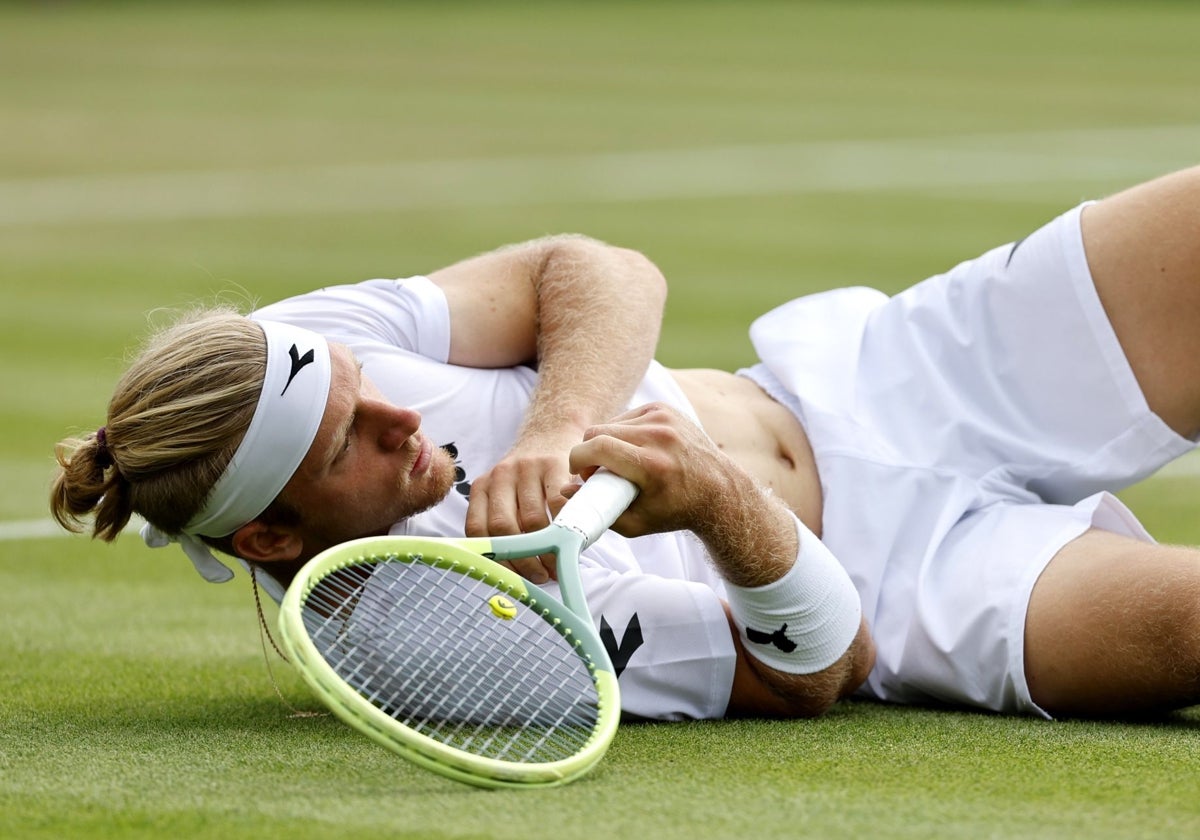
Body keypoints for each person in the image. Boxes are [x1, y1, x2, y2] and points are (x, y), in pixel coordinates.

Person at [51, 165, 1200, 723]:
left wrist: (559, 427)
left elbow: (593, 270)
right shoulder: (424, 636)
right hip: (913, 593)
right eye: (356, 437)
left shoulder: (299, 341)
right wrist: (712, 504)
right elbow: (810, 675)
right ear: (268, 533)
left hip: (898, 375)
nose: (406, 415)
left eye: (365, 393)